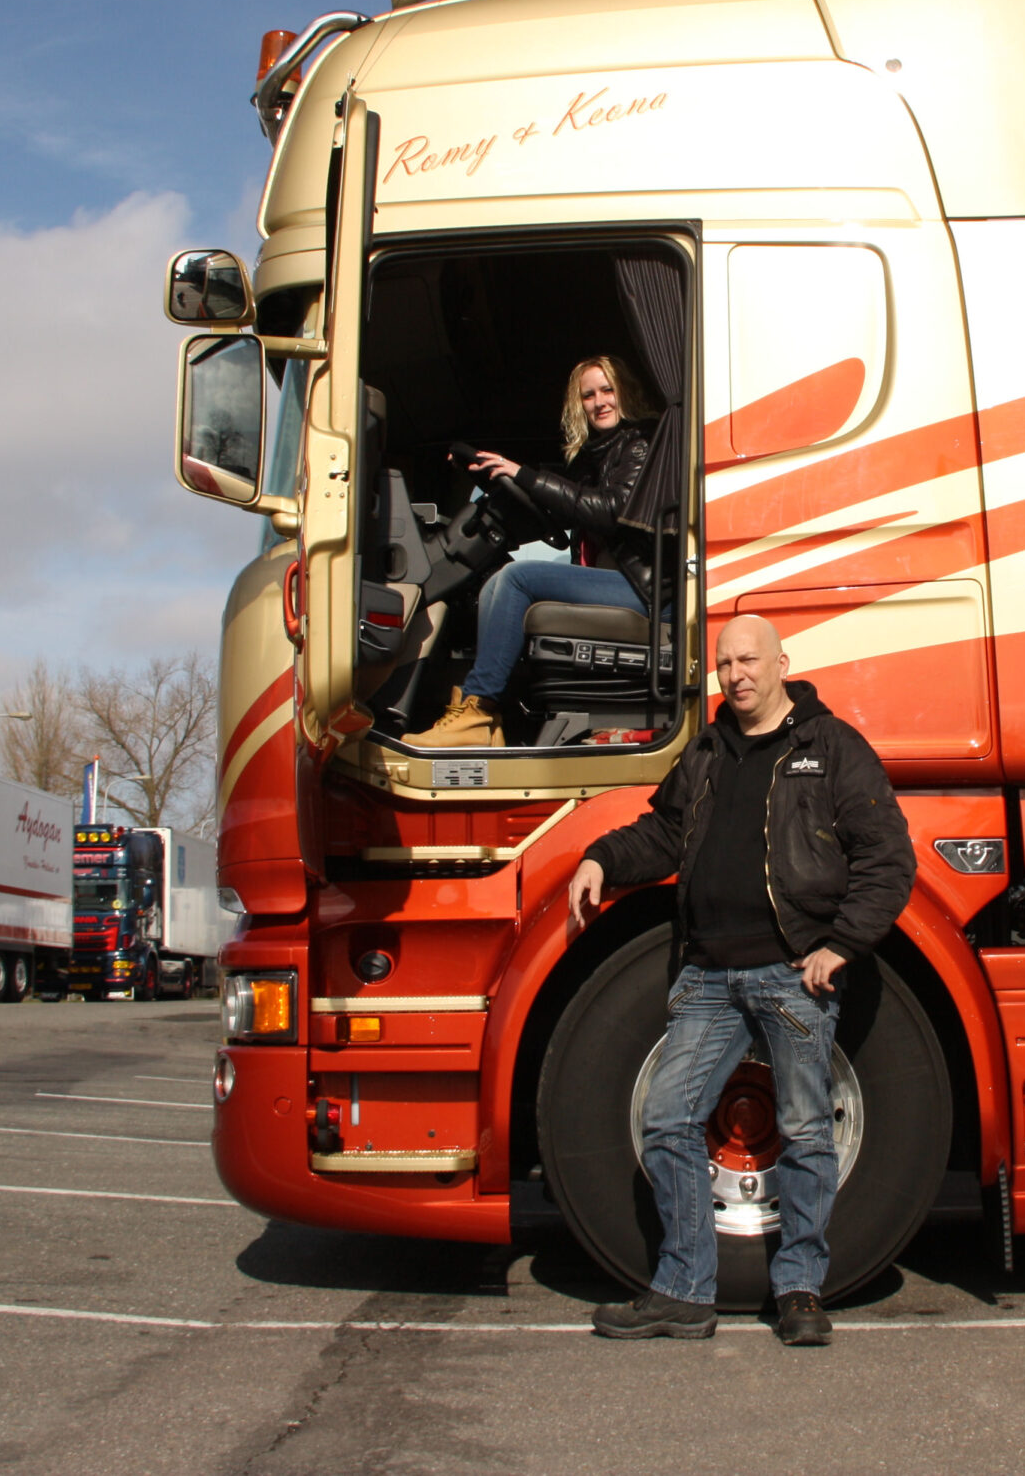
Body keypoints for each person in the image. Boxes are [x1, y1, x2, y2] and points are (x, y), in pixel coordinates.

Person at [563, 615, 914, 1346]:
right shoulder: (706, 751)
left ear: (782, 663)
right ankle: (685, 1293)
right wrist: (601, 857)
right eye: (725, 664)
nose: (736, 674)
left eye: (749, 660)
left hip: (791, 976)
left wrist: (841, 944)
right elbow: (663, 833)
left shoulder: (830, 746)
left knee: (806, 1131)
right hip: (708, 976)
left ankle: (800, 1292)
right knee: (666, 1120)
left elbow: (887, 856)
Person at [402, 355, 658, 749]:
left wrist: (523, 475)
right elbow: (559, 504)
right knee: (494, 583)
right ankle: (486, 723)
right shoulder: (595, 456)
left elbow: (611, 510)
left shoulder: (639, 442)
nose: (599, 402)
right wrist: (491, 474)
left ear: (625, 391)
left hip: (645, 590)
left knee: (517, 578)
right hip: (619, 581)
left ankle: (478, 710)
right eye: (588, 395)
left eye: (607, 390)